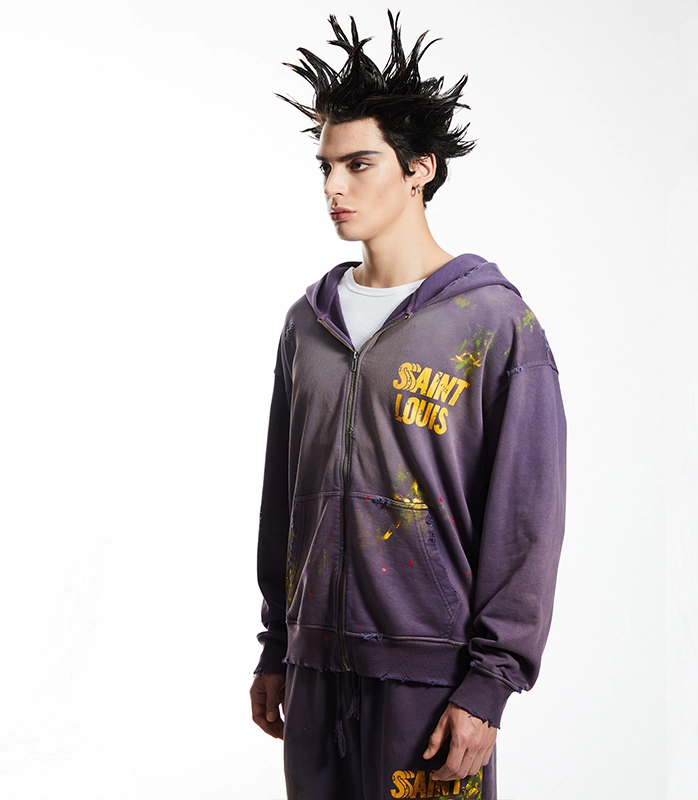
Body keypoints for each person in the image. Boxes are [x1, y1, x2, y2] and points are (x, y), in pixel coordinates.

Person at [249, 11, 567, 800]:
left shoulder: (493, 324)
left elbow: (526, 520)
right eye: (326, 167)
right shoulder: (307, 325)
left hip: (431, 684)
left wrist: (489, 684)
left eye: (358, 164)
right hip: (314, 674)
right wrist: (276, 645)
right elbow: (282, 497)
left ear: (419, 168)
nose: (334, 187)